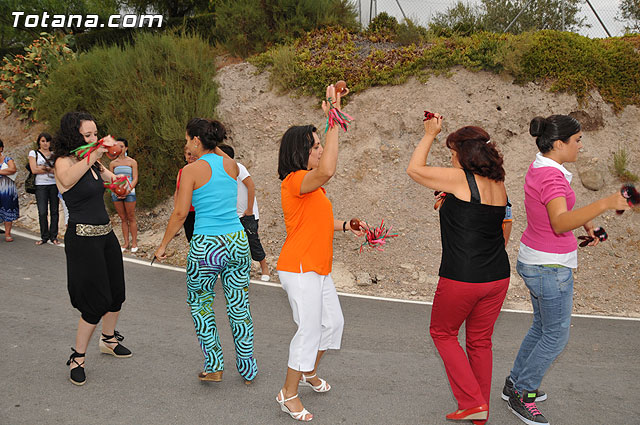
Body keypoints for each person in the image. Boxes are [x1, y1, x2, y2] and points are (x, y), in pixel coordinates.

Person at [504, 115, 631, 425]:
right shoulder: (552, 177)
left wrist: (589, 226)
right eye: (577, 140)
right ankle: (523, 393)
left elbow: (557, 210)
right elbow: (560, 222)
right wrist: (603, 203)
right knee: (556, 337)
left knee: (541, 328)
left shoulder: (543, 167)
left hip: (536, 258)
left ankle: (514, 384)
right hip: (549, 267)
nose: (581, 145)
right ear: (559, 144)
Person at [407, 117, 511, 425]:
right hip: (497, 276)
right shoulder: (498, 183)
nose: (451, 158)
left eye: (452, 152)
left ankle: (471, 402)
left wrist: (429, 134)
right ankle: (479, 411)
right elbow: (500, 224)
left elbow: (414, 169)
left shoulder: (459, 178)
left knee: (442, 333)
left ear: (464, 155)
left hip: (462, 277)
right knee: (480, 342)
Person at [275, 84, 363, 422]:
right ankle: (289, 393)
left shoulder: (314, 188)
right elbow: (327, 168)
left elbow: (319, 222)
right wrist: (334, 122)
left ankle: (308, 371)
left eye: (319, 144)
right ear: (301, 152)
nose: (320, 149)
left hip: (318, 267)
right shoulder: (295, 181)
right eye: (315, 146)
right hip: (299, 268)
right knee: (309, 330)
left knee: (333, 324)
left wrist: (345, 225)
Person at [154, 118, 258, 384]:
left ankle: (214, 366)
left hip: (207, 245)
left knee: (201, 304)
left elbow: (180, 213)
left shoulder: (190, 171)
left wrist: (163, 245)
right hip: (236, 241)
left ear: (196, 141)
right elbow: (220, 156)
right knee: (239, 306)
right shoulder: (231, 166)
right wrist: (213, 146)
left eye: (188, 139)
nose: (186, 145)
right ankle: (248, 370)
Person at [53, 111, 132, 386]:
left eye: (95, 134)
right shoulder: (64, 162)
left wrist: (123, 185)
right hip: (82, 239)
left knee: (116, 294)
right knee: (94, 302)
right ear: (73, 136)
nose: (94, 139)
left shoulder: (95, 163)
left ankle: (108, 339)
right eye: (88, 135)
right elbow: (66, 182)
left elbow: (115, 183)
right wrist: (95, 153)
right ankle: (78, 357)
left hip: (105, 236)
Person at [218, 144, 271, 281]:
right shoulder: (221, 172)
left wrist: (249, 210)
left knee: (253, 241)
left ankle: (265, 269)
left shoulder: (238, 167)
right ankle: (236, 271)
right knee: (231, 243)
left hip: (248, 214)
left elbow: (251, 186)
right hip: (232, 215)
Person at [29, 132, 60, 245]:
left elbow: (57, 170)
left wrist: (43, 168)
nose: (45, 143)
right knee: (42, 211)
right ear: (39, 142)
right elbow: (34, 170)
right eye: (43, 141)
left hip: (53, 184)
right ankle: (44, 236)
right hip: (40, 185)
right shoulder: (34, 153)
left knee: (54, 211)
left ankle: (54, 236)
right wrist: (48, 169)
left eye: (47, 141)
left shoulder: (54, 154)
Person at [108, 138, 138, 253]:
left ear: (126, 148)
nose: (119, 148)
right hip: (116, 193)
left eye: (121, 146)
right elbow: (111, 179)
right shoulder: (113, 163)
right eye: (117, 146)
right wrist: (116, 191)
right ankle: (126, 242)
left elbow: (135, 178)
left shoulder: (132, 162)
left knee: (131, 217)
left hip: (129, 192)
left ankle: (134, 242)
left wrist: (128, 190)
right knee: (123, 218)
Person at [174, 144, 198, 242]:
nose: (191, 156)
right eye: (188, 154)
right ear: (185, 155)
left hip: (199, 210)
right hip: (186, 211)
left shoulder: (202, 170)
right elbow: (177, 192)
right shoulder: (181, 172)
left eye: (193, 154)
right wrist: (176, 208)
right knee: (190, 238)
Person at [0, 139, 18, 242]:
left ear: (1, 148)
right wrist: (4, 171)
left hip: (7, 189)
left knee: (8, 209)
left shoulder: (8, 159)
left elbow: (13, 169)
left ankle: (7, 233)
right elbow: (9, 170)